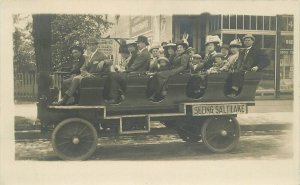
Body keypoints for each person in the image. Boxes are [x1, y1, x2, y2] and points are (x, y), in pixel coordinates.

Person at [53, 37, 113, 105]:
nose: (91, 47)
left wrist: (104, 62)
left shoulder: (101, 54)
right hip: (87, 75)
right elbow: (83, 68)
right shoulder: (89, 56)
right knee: (66, 82)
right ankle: (76, 99)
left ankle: (64, 100)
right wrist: (84, 72)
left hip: (96, 76)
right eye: (89, 45)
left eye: (92, 45)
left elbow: (110, 62)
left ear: (96, 45)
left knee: (76, 78)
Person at [105, 35, 151, 104]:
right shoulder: (142, 53)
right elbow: (134, 66)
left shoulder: (144, 53)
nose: (137, 45)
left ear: (144, 43)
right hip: (136, 73)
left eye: (139, 43)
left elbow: (134, 66)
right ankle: (118, 95)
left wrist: (124, 71)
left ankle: (114, 98)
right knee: (114, 75)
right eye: (137, 43)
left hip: (138, 74)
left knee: (114, 76)